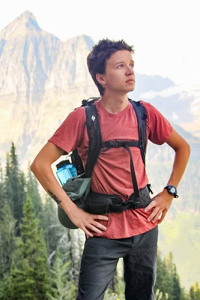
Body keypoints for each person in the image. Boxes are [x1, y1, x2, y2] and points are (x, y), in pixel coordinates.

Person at [30, 39, 190, 300]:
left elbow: (183, 148)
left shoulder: (145, 113)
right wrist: (73, 211)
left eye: (131, 65)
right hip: (102, 230)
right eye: (120, 66)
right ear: (101, 78)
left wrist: (168, 192)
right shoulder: (82, 118)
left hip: (145, 224)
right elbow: (39, 164)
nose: (130, 71)